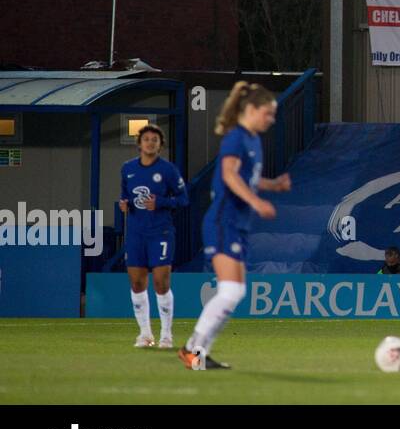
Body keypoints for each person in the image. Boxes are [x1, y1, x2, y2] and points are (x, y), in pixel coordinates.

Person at [178, 82, 291, 371]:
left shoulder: (252, 140)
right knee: (229, 291)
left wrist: (272, 185)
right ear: (251, 109)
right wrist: (256, 201)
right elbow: (229, 175)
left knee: (236, 293)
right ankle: (193, 349)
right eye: (267, 113)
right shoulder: (236, 138)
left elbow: (246, 178)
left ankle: (199, 352)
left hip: (237, 224)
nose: (271, 119)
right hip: (223, 221)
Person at [118, 124, 188, 348]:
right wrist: (124, 205)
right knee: (137, 282)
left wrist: (161, 202)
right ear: (139, 143)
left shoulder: (167, 170)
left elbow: (184, 199)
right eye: (146, 139)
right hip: (136, 233)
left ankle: (166, 335)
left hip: (161, 231)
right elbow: (124, 196)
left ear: (160, 145)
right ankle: (145, 334)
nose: (150, 143)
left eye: (154, 140)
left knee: (161, 282)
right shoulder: (127, 169)